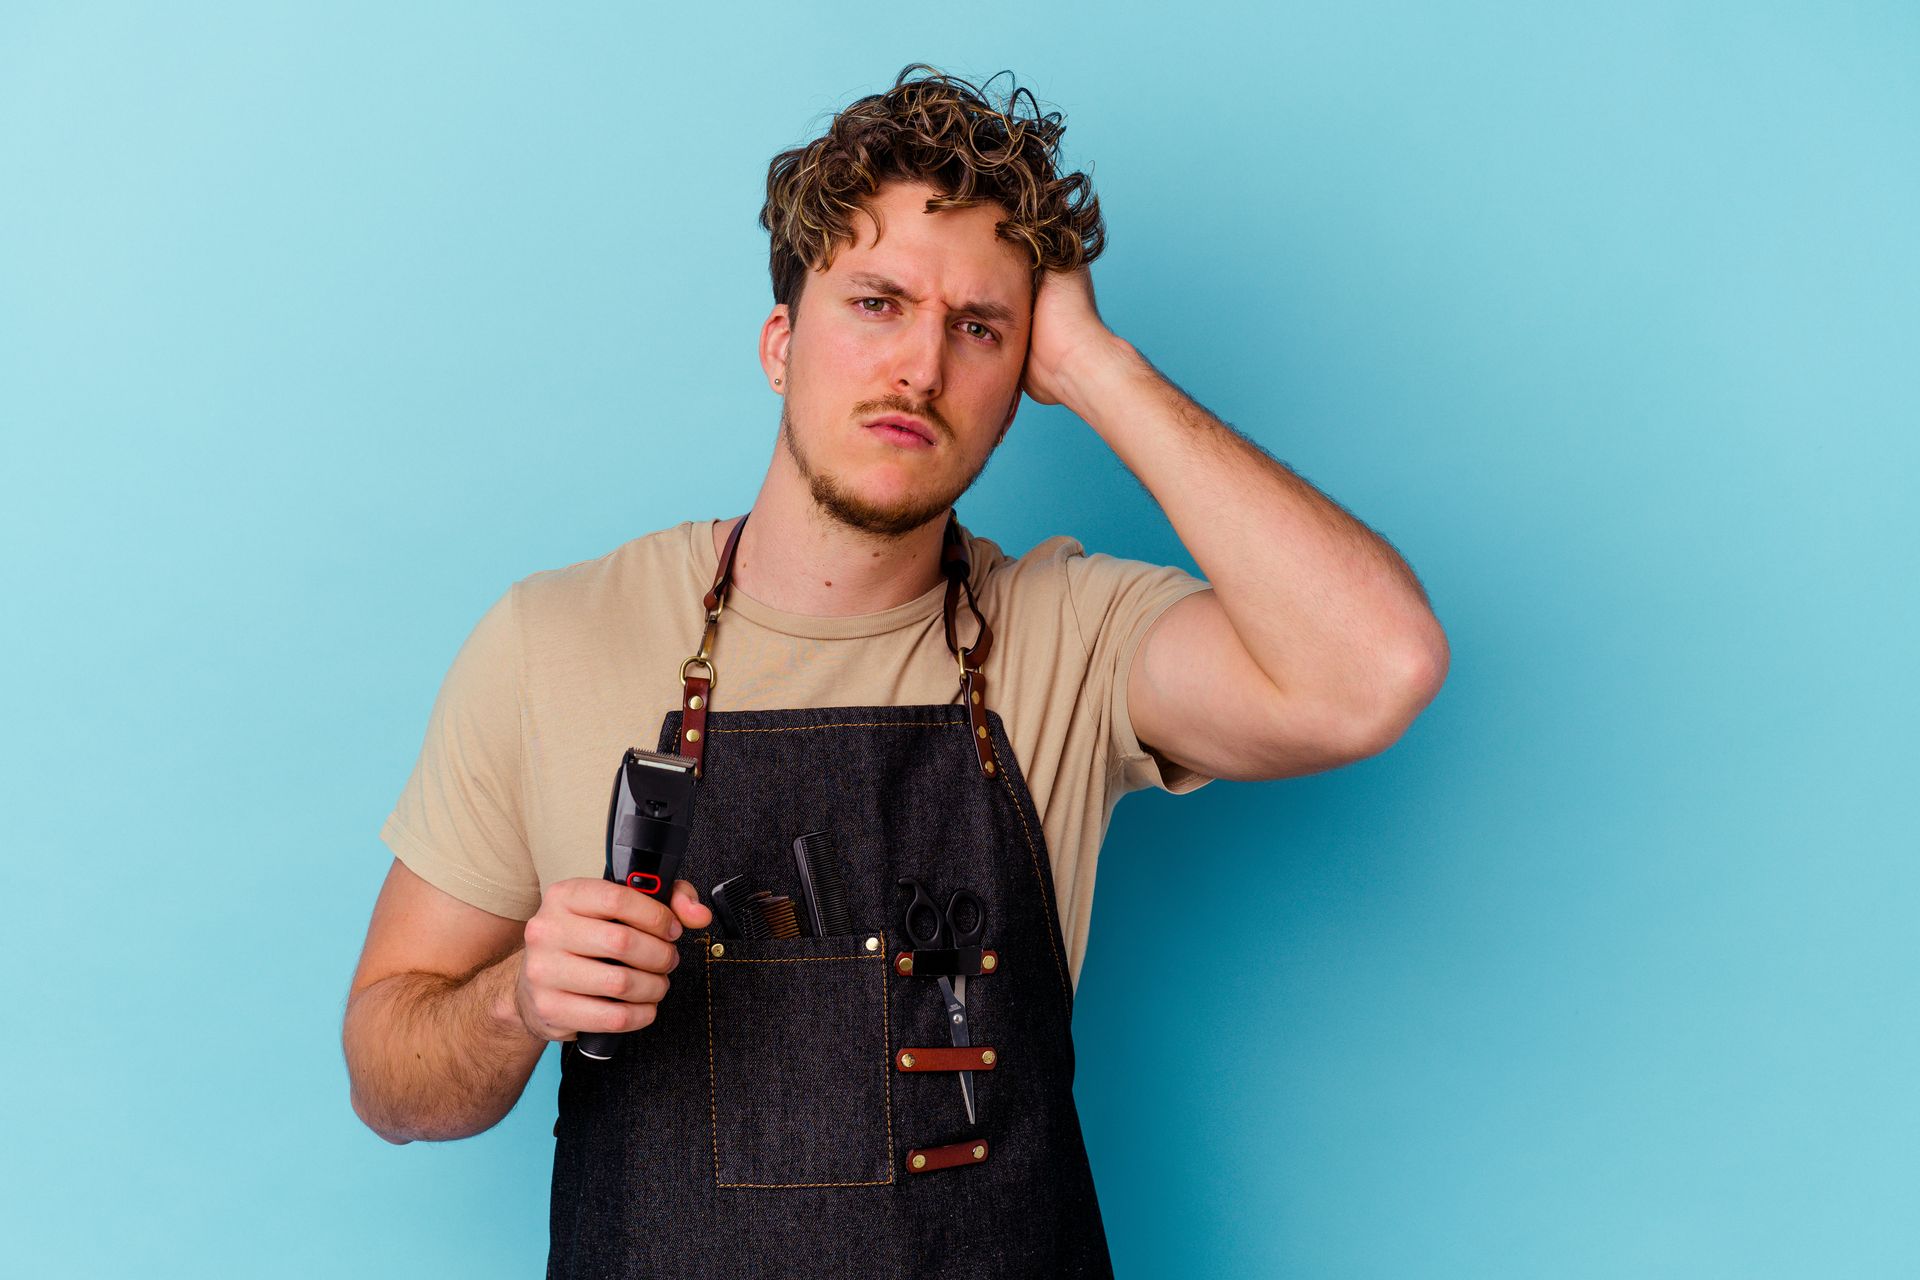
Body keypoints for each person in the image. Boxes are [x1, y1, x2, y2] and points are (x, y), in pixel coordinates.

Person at [341, 63, 1447, 1278]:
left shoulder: (1067, 635)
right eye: (876, 302)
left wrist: (1096, 364)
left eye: (979, 329)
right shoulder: (553, 637)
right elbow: (390, 1073)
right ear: (780, 341)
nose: (922, 367)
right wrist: (520, 1001)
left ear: (1021, 384)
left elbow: (1377, 667)